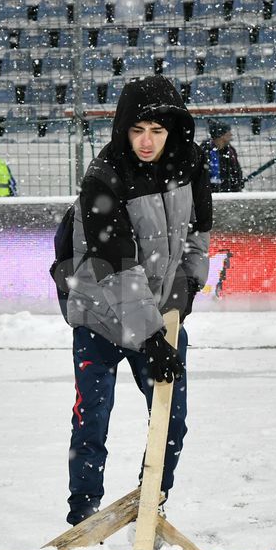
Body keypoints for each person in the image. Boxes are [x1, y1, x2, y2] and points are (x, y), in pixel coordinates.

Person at [57, 75, 212, 526]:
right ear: (123, 129)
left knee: (171, 420)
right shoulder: (103, 179)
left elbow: (197, 239)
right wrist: (151, 339)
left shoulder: (191, 165)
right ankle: (82, 517)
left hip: (159, 315)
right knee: (92, 420)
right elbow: (115, 268)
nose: (147, 142)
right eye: (137, 130)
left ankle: (151, 505)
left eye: (157, 132)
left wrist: (183, 296)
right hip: (99, 315)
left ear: (173, 132)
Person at [200, 119, 245, 193]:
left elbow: (237, 172)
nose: (231, 134)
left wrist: (237, 186)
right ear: (221, 135)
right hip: (209, 193)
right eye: (228, 132)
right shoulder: (205, 151)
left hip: (227, 191)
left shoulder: (230, 151)